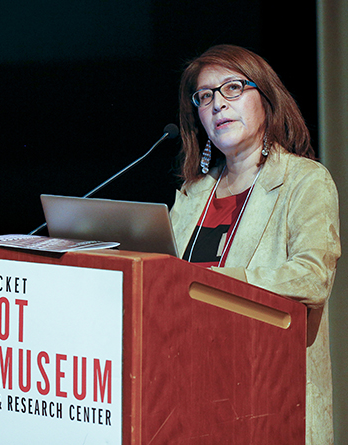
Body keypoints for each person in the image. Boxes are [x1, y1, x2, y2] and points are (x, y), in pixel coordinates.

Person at [170, 44, 341, 444]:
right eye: (205, 96)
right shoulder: (192, 195)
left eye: (232, 88)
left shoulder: (305, 181)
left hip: (271, 399)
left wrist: (215, 281)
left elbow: (312, 279)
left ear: (265, 98)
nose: (217, 105)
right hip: (192, 395)